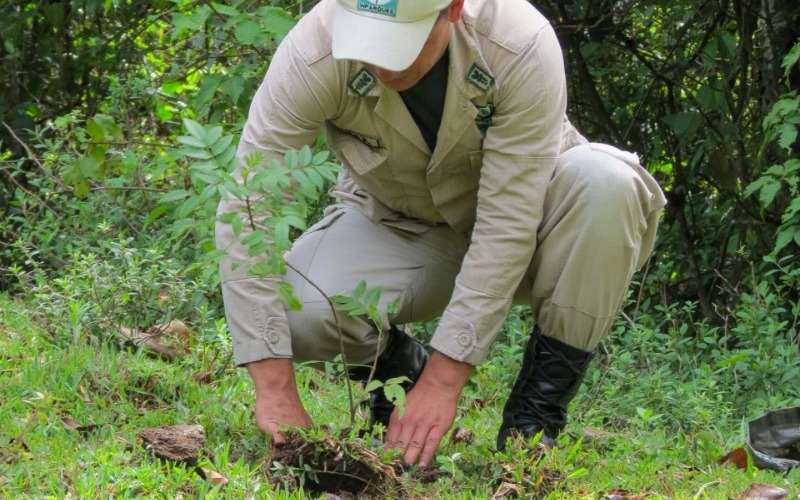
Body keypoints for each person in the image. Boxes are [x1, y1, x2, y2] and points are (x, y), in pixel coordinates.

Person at [215, 0, 666, 467]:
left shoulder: (519, 42)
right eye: (368, 40)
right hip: (401, 221)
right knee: (303, 313)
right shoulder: (313, 50)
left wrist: (445, 378)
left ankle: (534, 419)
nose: (382, 62)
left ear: (453, 9)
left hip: (537, 226)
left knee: (606, 184)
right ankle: (399, 371)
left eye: (399, 42)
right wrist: (275, 388)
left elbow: (508, 221)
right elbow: (248, 202)